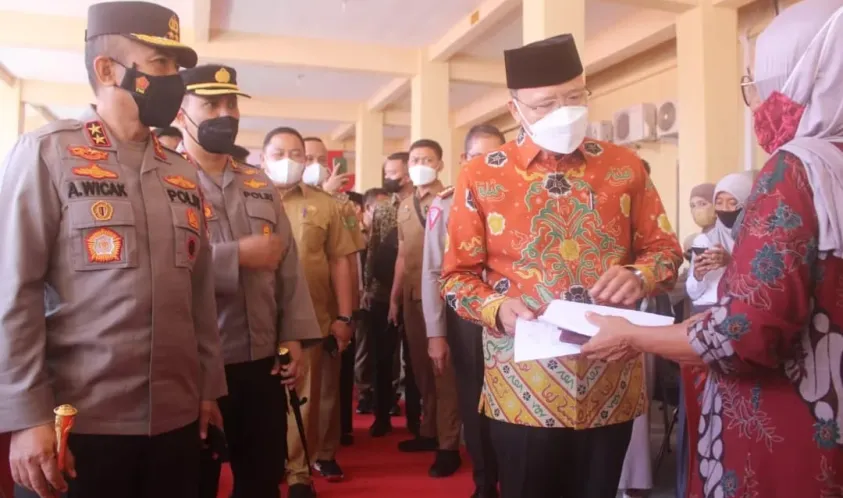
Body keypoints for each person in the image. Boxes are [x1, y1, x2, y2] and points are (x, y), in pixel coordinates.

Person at [582, 1, 843, 495]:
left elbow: (749, 333)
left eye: (755, 84)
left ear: (796, 81)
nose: (754, 101)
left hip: (792, 428)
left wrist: (634, 336)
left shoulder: (795, 171)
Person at [440, 33, 683, 498]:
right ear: (515, 110)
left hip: (609, 379)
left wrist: (641, 276)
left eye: (575, 97)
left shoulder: (625, 166)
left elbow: (666, 251)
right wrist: (496, 309)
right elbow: (455, 278)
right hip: (522, 384)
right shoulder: (481, 175)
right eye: (545, 104)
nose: (564, 112)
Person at [0, 3, 228, 498]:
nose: (174, 81)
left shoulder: (181, 172)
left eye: (176, 68)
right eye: (160, 63)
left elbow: (198, 292)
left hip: (175, 419)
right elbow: (13, 292)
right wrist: (26, 416)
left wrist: (207, 388)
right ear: (107, 70)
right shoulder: (48, 154)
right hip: (78, 422)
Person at [176, 64, 322, 498]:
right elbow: (161, 268)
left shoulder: (258, 182)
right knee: (194, 479)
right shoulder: (167, 179)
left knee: (261, 476)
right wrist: (233, 256)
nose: (225, 113)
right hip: (195, 364)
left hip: (262, 360)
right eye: (211, 104)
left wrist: (293, 335)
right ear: (181, 113)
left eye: (231, 104)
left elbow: (288, 265)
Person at [262, 126, 357, 496]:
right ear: (263, 158)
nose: (288, 161)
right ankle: (265, 464)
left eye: (296, 154)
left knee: (303, 400)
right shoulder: (247, 197)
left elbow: (340, 261)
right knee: (260, 398)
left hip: (310, 319)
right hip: (255, 320)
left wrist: (345, 316)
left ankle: (299, 473)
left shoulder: (325, 204)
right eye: (279, 153)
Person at [422, 124, 505, 496]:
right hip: (469, 316)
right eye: (478, 157)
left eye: (495, 157)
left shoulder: (520, 197)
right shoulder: (445, 204)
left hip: (516, 315)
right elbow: (433, 271)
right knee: (475, 403)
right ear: (463, 160)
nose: (487, 165)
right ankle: (485, 483)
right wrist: (435, 332)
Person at [391, 139, 462, 477]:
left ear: (440, 164)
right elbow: (402, 255)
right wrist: (394, 298)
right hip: (411, 296)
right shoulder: (404, 205)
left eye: (427, 159)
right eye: (415, 159)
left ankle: (448, 445)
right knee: (420, 369)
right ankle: (428, 430)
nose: (420, 165)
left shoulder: (451, 200)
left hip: (440, 296)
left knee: (443, 372)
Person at [301, 136, 366, 451]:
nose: (315, 165)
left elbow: (349, 260)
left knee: (327, 383)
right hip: (289, 305)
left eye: (320, 159)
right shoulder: (273, 199)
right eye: (307, 158)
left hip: (328, 304)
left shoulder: (341, 205)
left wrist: (348, 313)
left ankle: (324, 451)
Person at [365, 153, 419, 436]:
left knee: (414, 359)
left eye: (393, 173)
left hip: (414, 293)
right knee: (381, 358)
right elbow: (373, 248)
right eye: (386, 172)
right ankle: (381, 415)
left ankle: (416, 419)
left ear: (408, 174)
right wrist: (367, 287)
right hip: (381, 293)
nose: (388, 178)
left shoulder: (425, 206)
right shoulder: (384, 209)